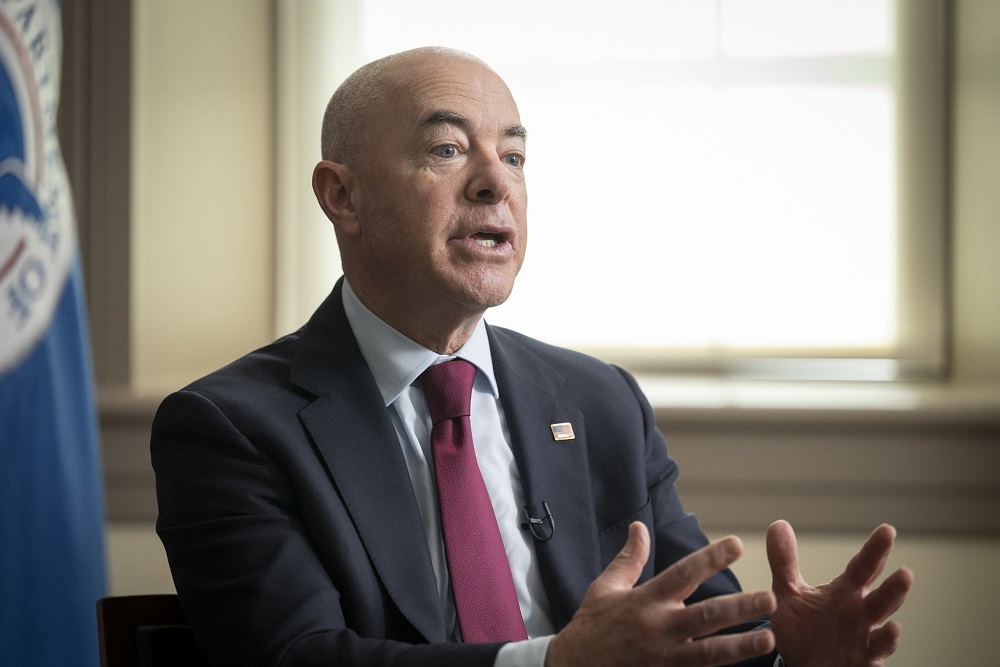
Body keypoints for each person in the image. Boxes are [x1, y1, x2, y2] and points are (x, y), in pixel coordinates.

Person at [151, 46, 912, 666]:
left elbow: (696, 633)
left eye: (514, 156)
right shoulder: (230, 427)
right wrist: (554, 664)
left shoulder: (602, 401)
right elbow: (297, 656)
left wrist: (784, 655)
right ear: (341, 196)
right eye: (447, 149)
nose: (495, 183)